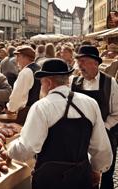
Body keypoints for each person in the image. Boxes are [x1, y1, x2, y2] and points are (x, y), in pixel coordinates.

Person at [7, 58, 113, 189]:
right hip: (81, 176)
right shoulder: (90, 103)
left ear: (49, 83)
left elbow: (26, 150)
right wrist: (97, 169)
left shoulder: (42, 106)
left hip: (50, 180)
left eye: (42, 83)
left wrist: (10, 148)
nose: (42, 86)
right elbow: (101, 147)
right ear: (67, 80)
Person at [71, 45, 118, 189]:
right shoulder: (75, 82)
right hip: (81, 138)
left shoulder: (109, 83)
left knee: (107, 175)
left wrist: (104, 127)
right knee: (85, 174)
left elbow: (117, 112)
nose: (80, 65)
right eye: (79, 61)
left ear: (96, 63)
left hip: (106, 135)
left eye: (84, 61)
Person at [4, 46, 41, 125]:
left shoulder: (26, 72)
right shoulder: (38, 68)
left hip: (27, 112)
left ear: (25, 57)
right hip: (38, 109)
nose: (17, 59)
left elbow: (18, 94)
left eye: (18, 56)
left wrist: (11, 108)